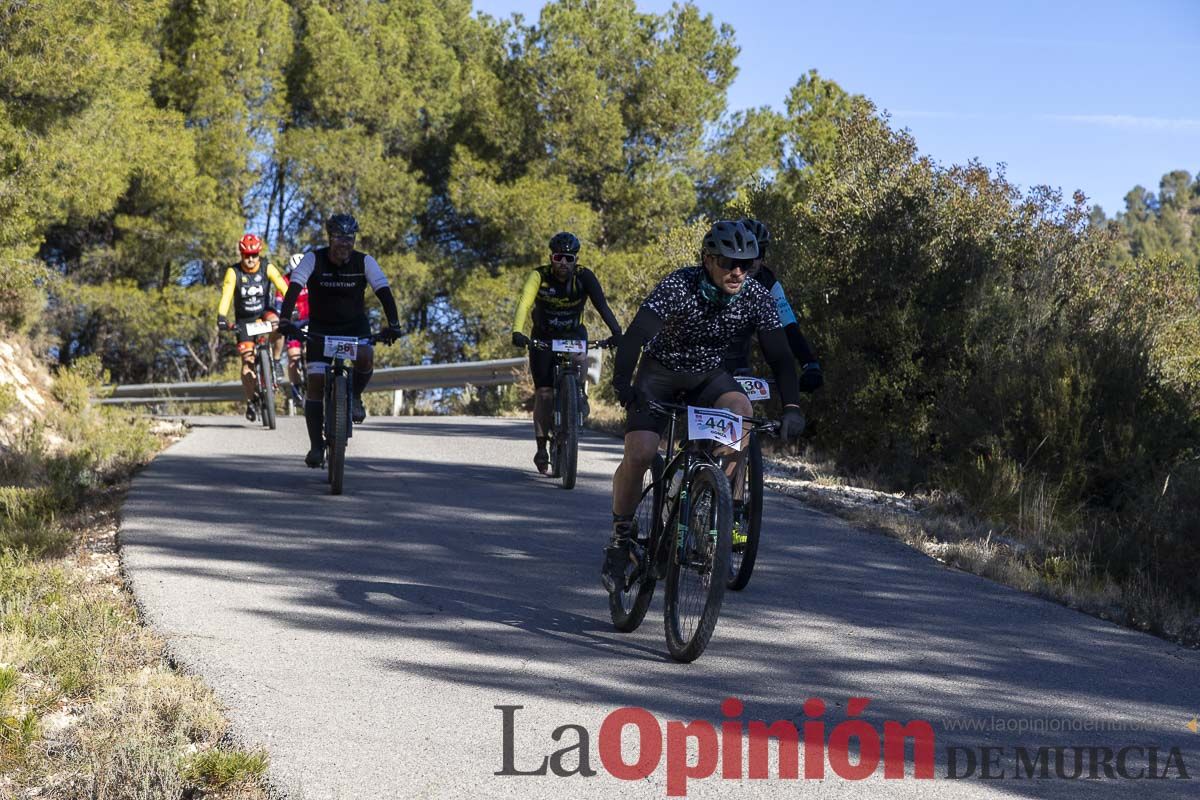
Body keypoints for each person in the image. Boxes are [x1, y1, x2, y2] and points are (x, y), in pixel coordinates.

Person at [601, 220, 806, 593]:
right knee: (641, 452)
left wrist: (791, 405)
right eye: (729, 262)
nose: (738, 272)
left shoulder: (755, 296)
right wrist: (622, 384)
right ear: (708, 260)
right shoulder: (680, 284)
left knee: (742, 408)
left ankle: (716, 500)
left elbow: (779, 354)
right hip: (660, 374)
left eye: (747, 264)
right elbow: (636, 335)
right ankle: (620, 537)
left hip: (708, 376)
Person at [277, 214, 403, 468]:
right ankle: (315, 446)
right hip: (321, 327)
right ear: (330, 238)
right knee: (315, 381)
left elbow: (383, 291)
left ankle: (354, 396)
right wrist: (284, 320)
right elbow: (293, 287)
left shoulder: (364, 261)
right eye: (338, 238)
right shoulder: (314, 259)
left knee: (366, 357)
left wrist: (394, 324)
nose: (344, 244)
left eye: (349, 239)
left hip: (354, 327)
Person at [510, 232, 622, 474]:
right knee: (545, 394)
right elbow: (524, 303)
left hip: (572, 335)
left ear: (575, 260)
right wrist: (518, 331)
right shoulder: (539, 276)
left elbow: (602, 305)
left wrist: (617, 332)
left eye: (568, 258)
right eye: (558, 257)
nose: (563, 263)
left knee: (580, 358)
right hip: (544, 336)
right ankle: (541, 447)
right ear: (551, 257)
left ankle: (577, 395)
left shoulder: (584, 277)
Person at [721, 219, 823, 394]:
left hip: (737, 361)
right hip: (704, 357)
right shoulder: (720, 274)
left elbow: (789, 326)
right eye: (747, 251)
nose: (753, 260)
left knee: (741, 411)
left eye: (759, 252)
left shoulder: (768, 283)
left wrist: (810, 364)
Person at [217, 233, 289, 421]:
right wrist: (222, 316)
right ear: (241, 254)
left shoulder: (267, 267)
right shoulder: (233, 272)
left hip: (264, 312)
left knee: (280, 324)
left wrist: (292, 306)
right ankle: (251, 400)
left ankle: (275, 360)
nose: (250, 259)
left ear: (259, 254)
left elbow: (283, 286)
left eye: (254, 255)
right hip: (244, 321)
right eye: (246, 255)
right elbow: (226, 295)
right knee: (247, 366)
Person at [276, 252, 311, 405]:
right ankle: (296, 388)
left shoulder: (313, 278)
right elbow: (278, 304)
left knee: (313, 351)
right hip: (294, 323)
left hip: (312, 320)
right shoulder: (284, 281)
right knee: (293, 357)